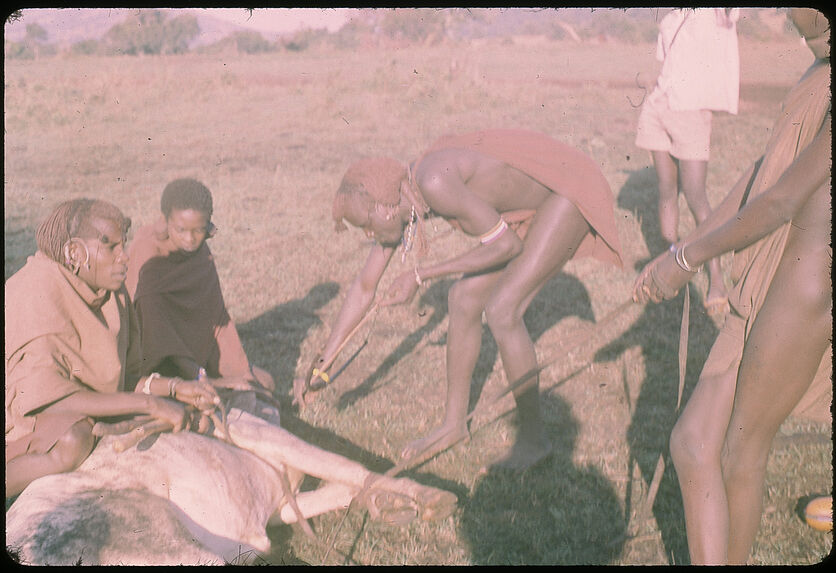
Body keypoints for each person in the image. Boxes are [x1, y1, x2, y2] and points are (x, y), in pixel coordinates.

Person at [633, 8, 830, 564]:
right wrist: (680, 251)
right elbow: (759, 179)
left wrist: (688, 260)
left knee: (741, 451)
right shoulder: (817, 72)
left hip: (804, 291)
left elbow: (782, 203)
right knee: (693, 443)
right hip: (764, 279)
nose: (802, 31)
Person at [302, 128, 622, 471]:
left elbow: (505, 247)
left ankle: (533, 440)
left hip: (566, 194)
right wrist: (328, 357)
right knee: (463, 297)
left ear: (384, 206)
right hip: (526, 210)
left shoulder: (434, 182)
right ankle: (454, 426)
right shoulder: (403, 197)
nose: (367, 234)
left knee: (502, 311)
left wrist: (422, 275)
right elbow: (366, 286)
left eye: (365, 224)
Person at [5, 199, 220, 499]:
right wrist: (149, 405)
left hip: (66, 407)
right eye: (112, 248)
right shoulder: (37, 294)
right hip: (19, 422)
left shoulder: (109, 292)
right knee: (72, 440)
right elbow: (51, 401)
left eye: (125, 245)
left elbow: (120, 382)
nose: (125, 257)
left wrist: (173, 388)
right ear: (75, 253)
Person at [635, 8, 740, 318]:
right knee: (667, 189)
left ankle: (717, 281)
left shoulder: (717, 14)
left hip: (692, 112)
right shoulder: (668, 20)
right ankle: (666, 268)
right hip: (658, 107)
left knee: (696, 195)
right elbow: (668, 64)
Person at [125, 178, 275, 394]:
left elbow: (216, 317)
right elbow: (153, 326)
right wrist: (199, 376)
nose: (190, 239)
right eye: (181, 230)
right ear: (165, 220)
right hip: (155, 360)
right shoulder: (149, 250)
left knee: (265, 382)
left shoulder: (201, 252)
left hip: (195, 352)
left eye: (198, 230)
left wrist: (238, 370)